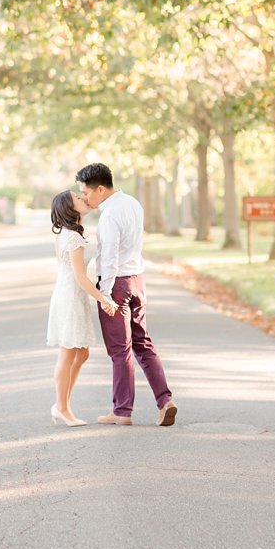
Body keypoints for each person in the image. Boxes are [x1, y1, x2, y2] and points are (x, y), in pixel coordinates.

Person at [75, 163, 179, 427]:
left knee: (120, 349)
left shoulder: (109, 216)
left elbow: (108, 259)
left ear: (100, 189)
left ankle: (122, 411)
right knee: (143, 343)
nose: (84, 197)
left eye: (85, 192)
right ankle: (165, 400)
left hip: (117, 285)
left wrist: (105, 295)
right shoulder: (133, 203)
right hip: (137, 281)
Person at [45, 190, 118, 427]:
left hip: (71, 295)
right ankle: (62, 407)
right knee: (68, 353)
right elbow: (79, 276)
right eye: (78, 198)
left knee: (82, 352)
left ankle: (62, 404)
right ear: (69, 208)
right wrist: (103, 299)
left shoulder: (72, 234)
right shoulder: (73, 238)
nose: (84, 198)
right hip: (70, 296)